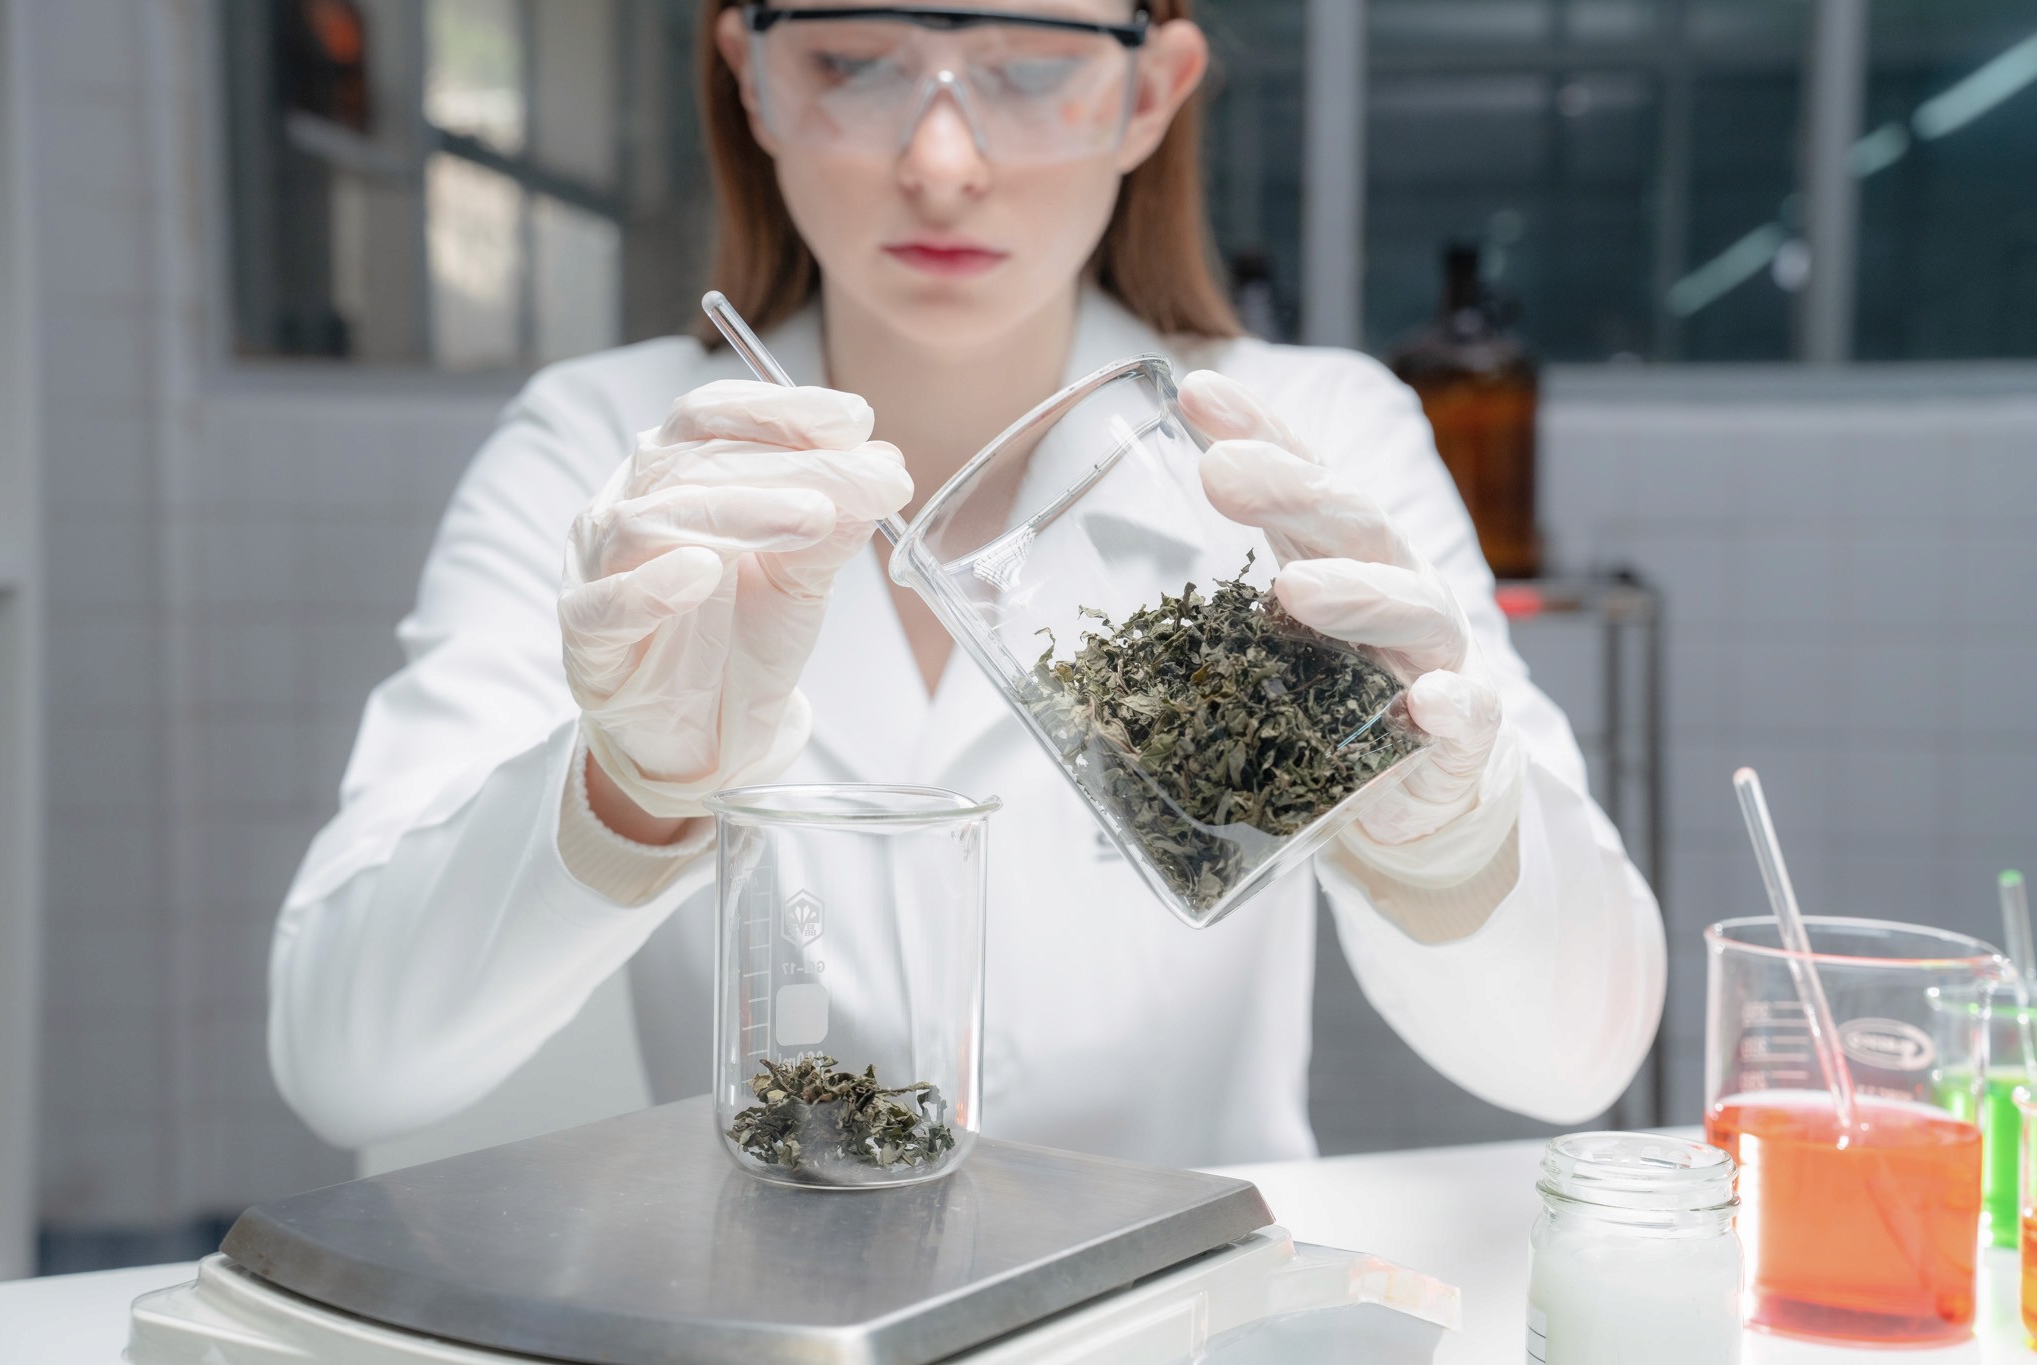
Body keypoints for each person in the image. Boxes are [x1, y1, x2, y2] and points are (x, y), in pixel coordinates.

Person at [270, 0, 1664, 1165]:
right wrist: (625, 794)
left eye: (1033, 63)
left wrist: (1450, 844)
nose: (941, 161)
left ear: (1151, 91)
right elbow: (345, 1055)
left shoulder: (1322, 430)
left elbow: (1574, 1054)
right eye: (852, 61)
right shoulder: (605, 450)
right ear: (747, 74)